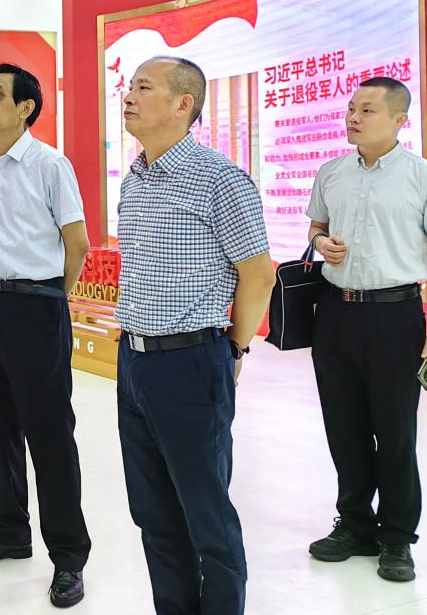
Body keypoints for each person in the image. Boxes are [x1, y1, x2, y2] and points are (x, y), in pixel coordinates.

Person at [116, 57, 274, 615]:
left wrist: (235, 347)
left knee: (205, 509)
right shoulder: (134, 178)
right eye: (129, 86)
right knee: (153, 512)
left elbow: (258, 273)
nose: (128, 96)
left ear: (184, 104)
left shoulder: (219, 179)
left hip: (190, 361)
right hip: (133, 361)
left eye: (143, 87)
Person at [305, 76, 427, 583]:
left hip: (395, 316)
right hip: (335, 314)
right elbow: (316, 228)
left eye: (367, 110)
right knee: (343, 427)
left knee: (395, 432)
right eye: (351, 108)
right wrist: (322, 242)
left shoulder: (426, 179)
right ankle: (355, 525)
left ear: (399, 120)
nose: (354, 117)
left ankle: (396, 537)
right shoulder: (331, 173)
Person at [0, 63, 91, 609]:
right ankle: (10, 531)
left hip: (37, 305)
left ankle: (69, 557)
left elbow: (77, 244)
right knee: (0, 426)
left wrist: (50, 297)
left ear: (25, 108)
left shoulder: (49, 164)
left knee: (49, 433)